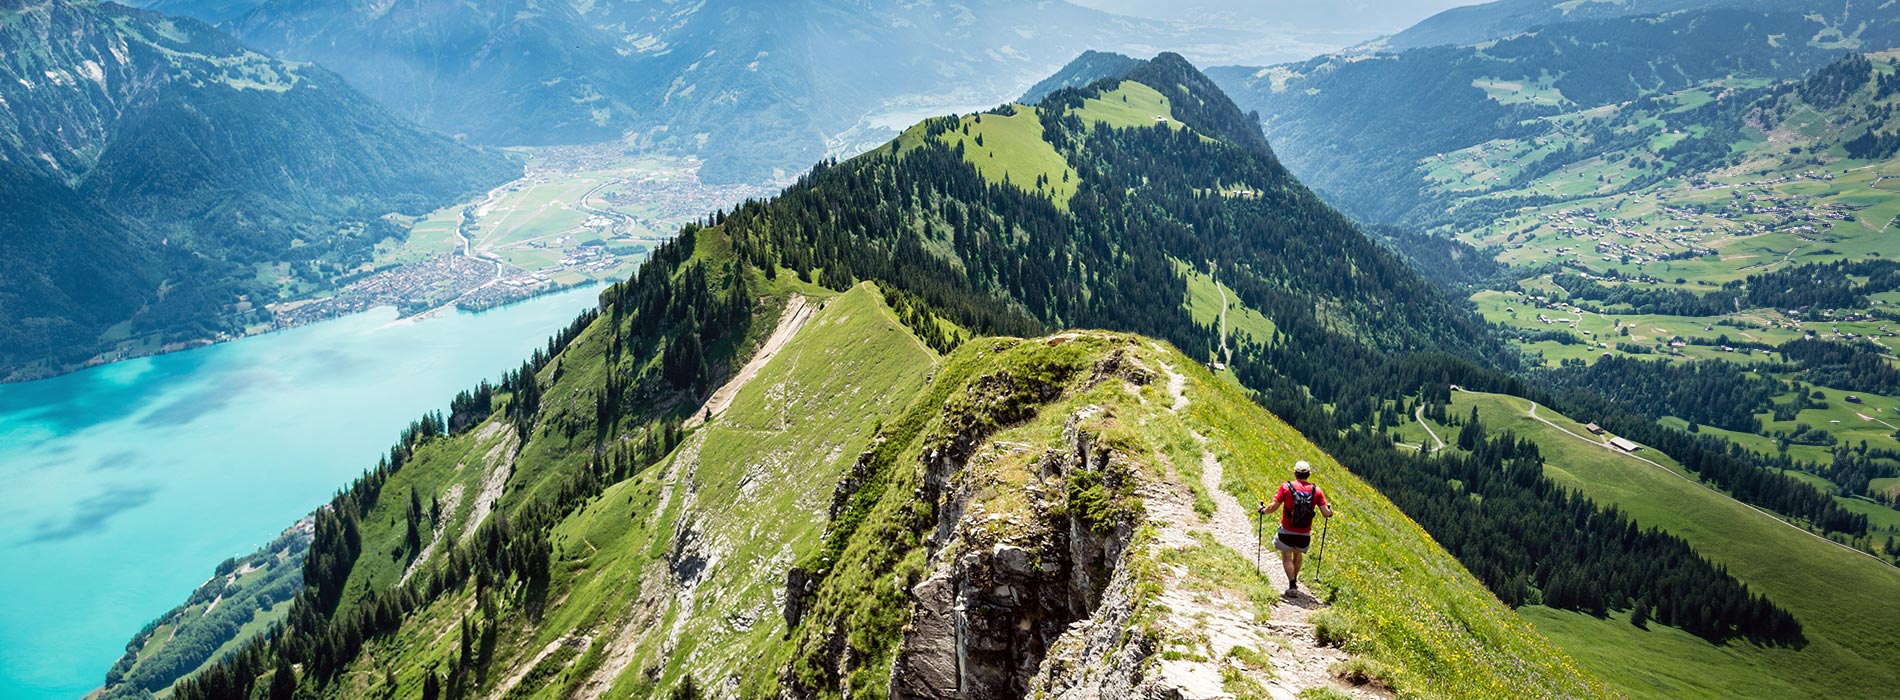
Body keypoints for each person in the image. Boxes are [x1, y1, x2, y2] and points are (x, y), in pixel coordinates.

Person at [1257, 460, 1334, 597]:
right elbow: (1325, 514)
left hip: (1286, 530)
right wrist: (1330, 511)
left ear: (1295, 473)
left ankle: (1292, 584)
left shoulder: (1286, 487)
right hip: (1304, 533)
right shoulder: (1317, 491)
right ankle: (1294, 579)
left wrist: (1263, 510)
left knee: (1286, 555)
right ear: (1309, 474)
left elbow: (1273, 507)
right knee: (1297, 554)